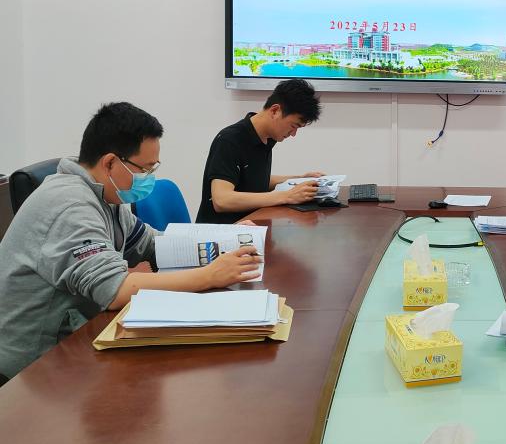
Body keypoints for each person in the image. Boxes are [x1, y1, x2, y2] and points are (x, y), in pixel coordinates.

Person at [0, 102, 261, 383]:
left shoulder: (104, 195)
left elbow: (150, 243)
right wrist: (209, 276)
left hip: (74, 337)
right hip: (33, 367)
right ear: (110, 162)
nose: (148, 178)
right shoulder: (70, 205)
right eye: (144, 169)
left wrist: (222, 237)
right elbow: (115, 289)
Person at [196, 78, 324, 224]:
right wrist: (287, 196)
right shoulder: (230, 140)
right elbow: (222, 200)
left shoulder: (267, 139)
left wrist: (299, 179)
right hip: (223, 232)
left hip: (251, 224)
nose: (293, 134)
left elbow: (254, 181)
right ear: (275, 111)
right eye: (293, 126)